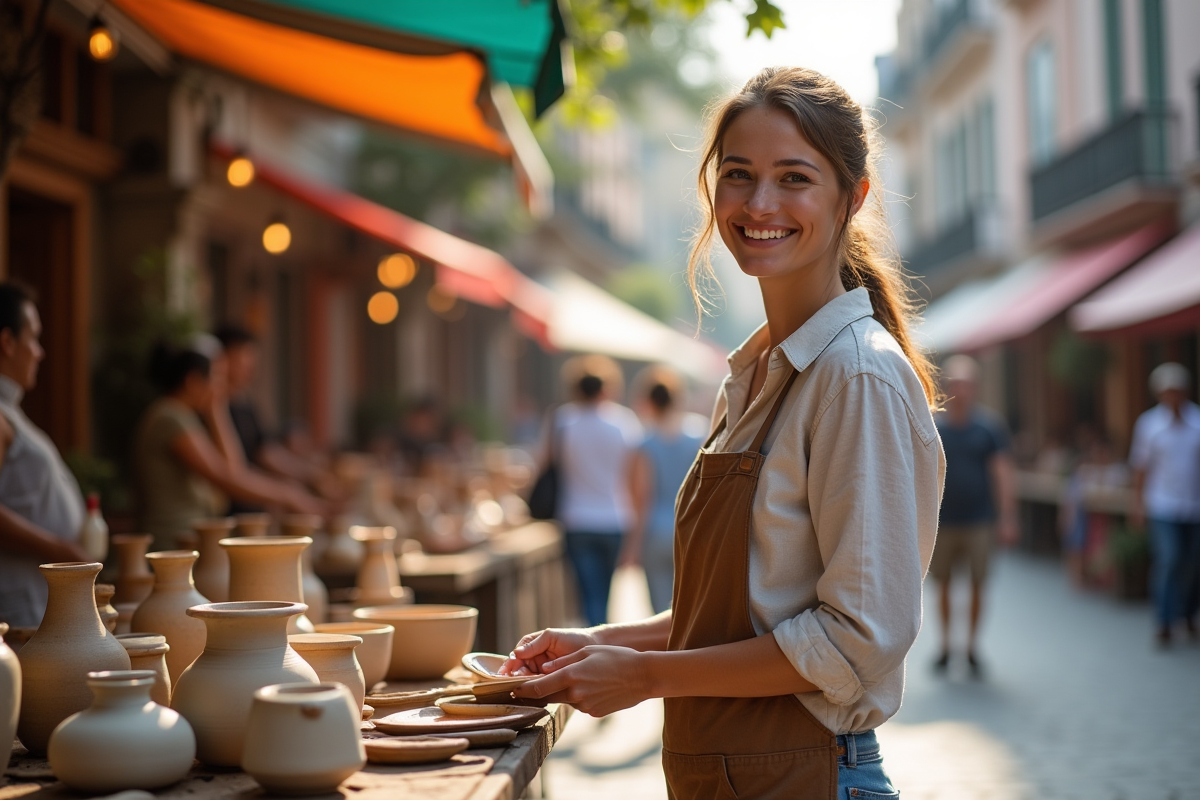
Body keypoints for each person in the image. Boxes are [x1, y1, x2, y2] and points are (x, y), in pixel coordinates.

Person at [501, 67, 944, 799]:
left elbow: (854, 640)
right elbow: (747, 612)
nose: (759, 203)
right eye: (738, 175)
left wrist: (645, 676)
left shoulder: (855, 377)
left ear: (853, 197)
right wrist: (601, 643)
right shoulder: (757, 374)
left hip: (809, 773)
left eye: (794, 178)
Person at [133, 336, 323, 549]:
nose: (222, 387)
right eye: (217, 377)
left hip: (192, 538)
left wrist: (216, 410)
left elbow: (234, 468)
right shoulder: (169, 417)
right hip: (172, 543)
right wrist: (288, 495)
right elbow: (227, 479)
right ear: (193, 381)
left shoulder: (185, 416)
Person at [0, 282, 90, 627]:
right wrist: (56, 548)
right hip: (19, 604)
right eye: (33, 338)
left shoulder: (11, 410)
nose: (39, 352)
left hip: (37, 598)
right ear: (7, 342)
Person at [929, 354, 1016, 677]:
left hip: (980, 520)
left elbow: (1002, 474)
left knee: (978, 585)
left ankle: (971, 648)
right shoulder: (934, 427)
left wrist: (1008, 517)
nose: (959, 390)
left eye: (965, 384)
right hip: (942, 522)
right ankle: (945, 647)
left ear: (974, 388)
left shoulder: (988, 428)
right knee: (944, 586)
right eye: (954, 384)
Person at [543, 355, 642, 628]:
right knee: (606, 594)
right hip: (615, 518)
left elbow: (546, 463)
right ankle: (602, 647)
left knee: (588, 596)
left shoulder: (562, 420)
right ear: (607, 388)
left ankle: (593, 647)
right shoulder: (624, 422)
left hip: (575, 518)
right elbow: (635, 477)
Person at [215, 325, 341, 510]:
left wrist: (311, 475)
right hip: (231, 509)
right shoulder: (211, 409)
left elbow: (266, 451)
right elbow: (232, 473)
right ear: (223, 359)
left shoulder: (244, 404)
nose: (252, 364)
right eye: (245, 355)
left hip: (254, 507)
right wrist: (288, 495)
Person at [623, 366, 705, 614]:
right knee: (691, 608)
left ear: (650, 401)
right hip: (692, 529)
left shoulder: (645, 442)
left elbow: (641, 496)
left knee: (659, 611)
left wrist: (633, 545)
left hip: (656, 531)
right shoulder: (699, 434)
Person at [1129, 361, 1200, 646]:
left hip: (1194, 505)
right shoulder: (1149, 425)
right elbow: (1141, 467)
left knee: (1193, 563)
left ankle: (1188, 615)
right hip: (1163, 504)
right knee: (1170, 559)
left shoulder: (1197, 421)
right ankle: (1164, 620)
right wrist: (1138, 504)